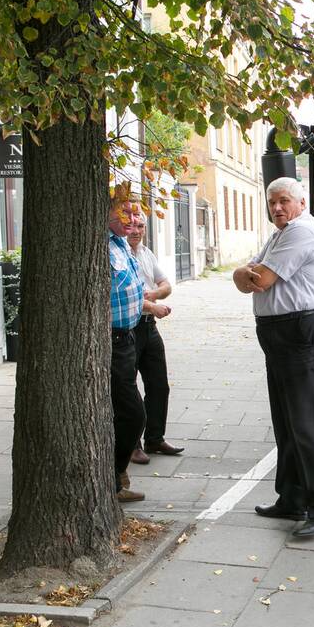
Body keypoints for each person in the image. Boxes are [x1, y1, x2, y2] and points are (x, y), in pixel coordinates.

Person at [233, 177, 314, 537]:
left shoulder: (301, 232)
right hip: (281, 334)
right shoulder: (279, 234)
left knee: (305, 424)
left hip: (300, 332)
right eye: (272, 202)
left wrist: (250, 274)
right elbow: (242, 274)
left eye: (283, 201)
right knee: (286, 422)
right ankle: (292, 499)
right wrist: (243, 273)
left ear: (301, 203)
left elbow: (259, 279)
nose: (276, 208)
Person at [108, 199, 166, 503]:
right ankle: (114, 476)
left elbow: (136, 290)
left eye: (136, 213)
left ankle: (117, 478)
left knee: (131, 409)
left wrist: (152, 303)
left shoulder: (121, 245)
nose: (132, 218)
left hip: (130, 335)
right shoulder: (103, 246)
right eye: (125, 212)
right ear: (107, 213)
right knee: (132, 414)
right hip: (113, 340)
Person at [126, 213, 185, 466]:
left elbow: (166, 285)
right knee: (128, 390)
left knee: (159, 384)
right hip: (129, 327)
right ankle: (131, 445)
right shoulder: (119, 254)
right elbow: (126, 297)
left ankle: (154, 438)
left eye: (140, 226)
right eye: (130, 226)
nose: (136, 230)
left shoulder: (146, 253)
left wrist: (153, 294)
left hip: (149, 328)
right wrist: (153, 306)